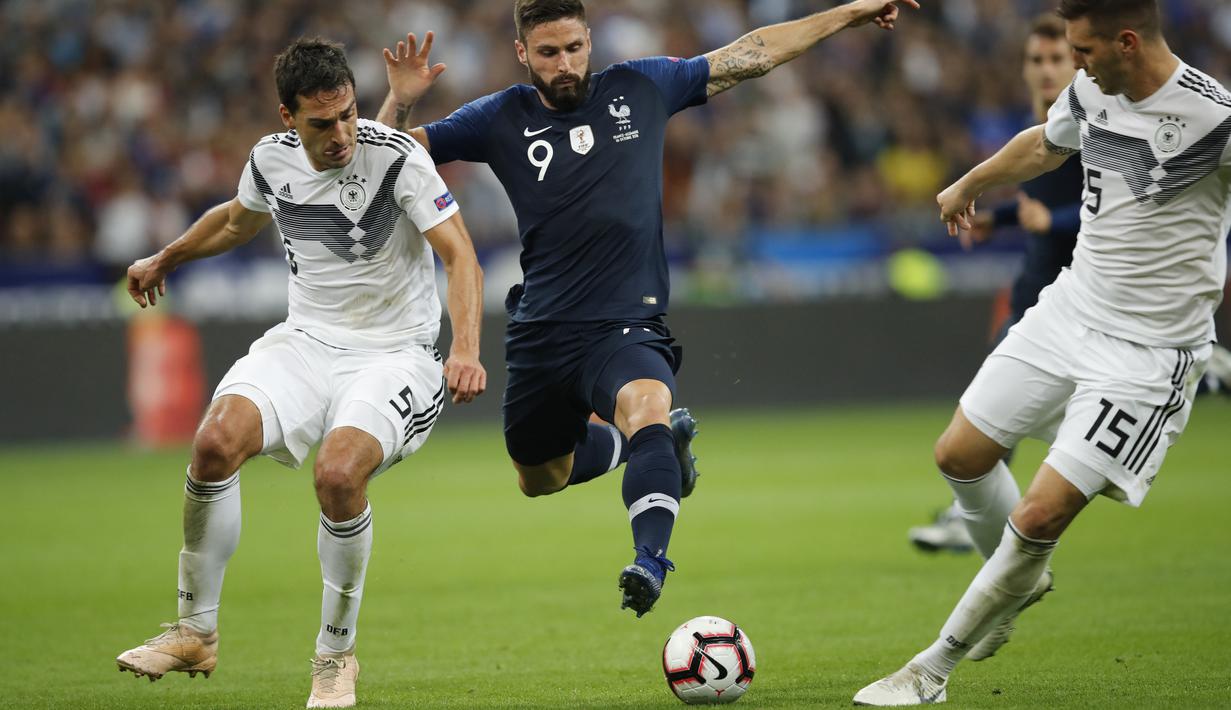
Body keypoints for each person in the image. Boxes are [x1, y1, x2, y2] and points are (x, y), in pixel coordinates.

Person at [375, 0, 919, 617]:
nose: (565, 64)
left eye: (575, 48)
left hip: (626, 321)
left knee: (647, 408)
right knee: (539, 477)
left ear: (589, 42)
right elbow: (383, 160)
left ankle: (650, 559)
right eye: (549, 53)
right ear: (523, 52)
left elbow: (753, 54)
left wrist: (845, 14)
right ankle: (636, 448)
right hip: (543, 330)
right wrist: (402, 99)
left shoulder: (640, 86)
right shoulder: (500, 116)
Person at [856, 0, 1230, 704]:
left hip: (1145, 356)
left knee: (1036, 517)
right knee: (959, 456)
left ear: (1125, 41)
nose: (1071, 66)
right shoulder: (1094, 87)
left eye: (1083, 51)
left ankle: (929, 670)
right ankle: (1018, 582)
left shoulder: (1214, 117)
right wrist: (971, 181)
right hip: (1067, 311)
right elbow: (1048, 142)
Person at [114, 37, 486, 709]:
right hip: (306, 343)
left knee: (338, 474)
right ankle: (195, 630)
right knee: (212, 444)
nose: (342, 133)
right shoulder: (269, 160)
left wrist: (464, 349)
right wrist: (166, 257)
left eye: (347, 114)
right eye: (322, 122)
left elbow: (460, 255)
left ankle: (335, 657)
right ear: (288, 117)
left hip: (395, 352)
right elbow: (235, 222)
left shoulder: (399, 157)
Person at [909, 14, 1082, 555]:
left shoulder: (1093, 123)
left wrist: (1049, 225)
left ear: (1079, 63)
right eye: (1037, 60)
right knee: (993, 413)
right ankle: (983, 519)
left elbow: (1112, 207)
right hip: (1037, 288)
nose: (1047, 69)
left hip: (1077, 298)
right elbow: (1044, 204)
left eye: (1058, 59)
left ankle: (986, 522)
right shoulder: (1042, 125)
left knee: (994, 417)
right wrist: (1003, 219)